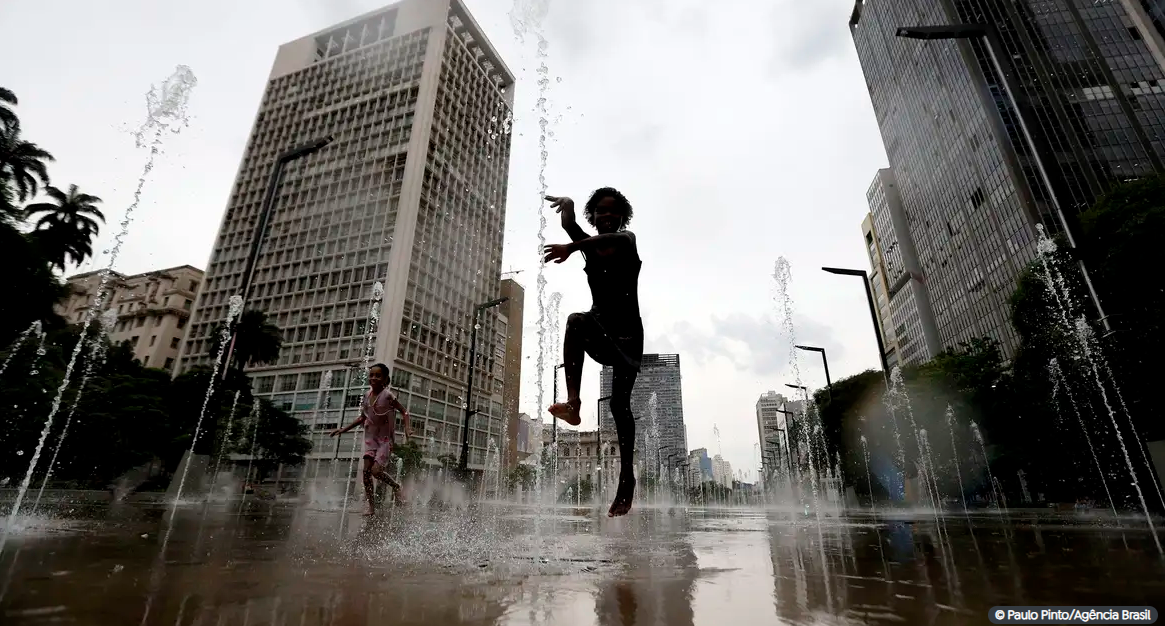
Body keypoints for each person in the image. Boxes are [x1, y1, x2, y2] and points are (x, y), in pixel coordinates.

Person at [542, 188, 642, 517]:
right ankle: (573, 403)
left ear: (622, 216)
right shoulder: (591, 245)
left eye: (613, 212)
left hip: (627, 335)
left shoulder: (627, 239)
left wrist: (573, 246)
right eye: (600, 212)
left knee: (618, 403)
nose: (607, 217)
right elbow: (572, 227)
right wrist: (568, 209)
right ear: (594, 216)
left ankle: (626, 479)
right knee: (574, 322)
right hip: (599, 327)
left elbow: (596, 242)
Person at [330, 363, 412, 516]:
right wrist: (343, 429)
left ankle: (395, 486)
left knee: (375, 471)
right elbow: (362, 417)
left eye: (378, 375)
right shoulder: (367, 396)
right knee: (366, 472)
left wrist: (407, 428)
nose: (373, 378)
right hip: (371, 438)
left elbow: (404, 411)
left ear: (385, 379)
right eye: (371, 375)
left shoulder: (388, 395)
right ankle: (371, 506)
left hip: (385, 440)